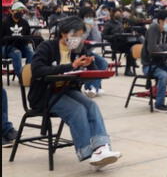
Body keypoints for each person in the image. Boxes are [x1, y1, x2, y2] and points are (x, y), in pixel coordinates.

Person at [29, 17, 121, 168]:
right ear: (65, 33)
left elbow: (88, 74)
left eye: (80, 35)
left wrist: (90, 65)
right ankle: (88, 151)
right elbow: (37, 70)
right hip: (45, 94)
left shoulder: (78, 49)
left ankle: (102, 148)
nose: (78, 39)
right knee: (77, 110)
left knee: (91, 105)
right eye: (76, 35)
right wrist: (70, 66)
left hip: (66, 90)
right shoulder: (47, 47)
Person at [141, 10, 167, 112]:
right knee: (164, 75)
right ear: (160, 21)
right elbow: (152, 49)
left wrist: (161, 46)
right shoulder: (153, 28)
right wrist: (166, 47)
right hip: (149, 65)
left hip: (163, 63)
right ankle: (159, 104)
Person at [78, 7, 109, 98]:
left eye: (91, 17)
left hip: (88, 51)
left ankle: (93, 87)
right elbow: (80, 40)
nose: (89, 19)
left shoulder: (92, 25)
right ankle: (92, 87)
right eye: (87, 17)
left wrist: (94, 27)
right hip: (78, 52)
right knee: (93, 63)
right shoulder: (77, 25)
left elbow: (97, 40)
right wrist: (87, 28)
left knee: (103, 63)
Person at [1, 2, 34, 75]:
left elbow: (27, 37)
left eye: (22, 11)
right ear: (11, 11)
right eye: (18, 10)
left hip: (20, 46)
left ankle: (27, 74)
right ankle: (20, 76)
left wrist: (24, 40)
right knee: (17, 53)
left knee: (31, 52)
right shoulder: (4, 22)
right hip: (5, 47)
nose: (20, 12)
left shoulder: (25, 23)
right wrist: (11, 38)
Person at [102, 8, 136, 76]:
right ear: (113, 14)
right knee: (129, 50)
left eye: (120, 14)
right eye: (117, 14)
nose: (119, 15)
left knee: (133, 46)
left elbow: (128, 30)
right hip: (115, 44)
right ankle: (128, 69)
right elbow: (104, 36)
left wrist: (130, 31)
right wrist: (114, 36)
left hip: (124, 42)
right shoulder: (109, 24)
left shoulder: (123, 22)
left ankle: (131, 65)